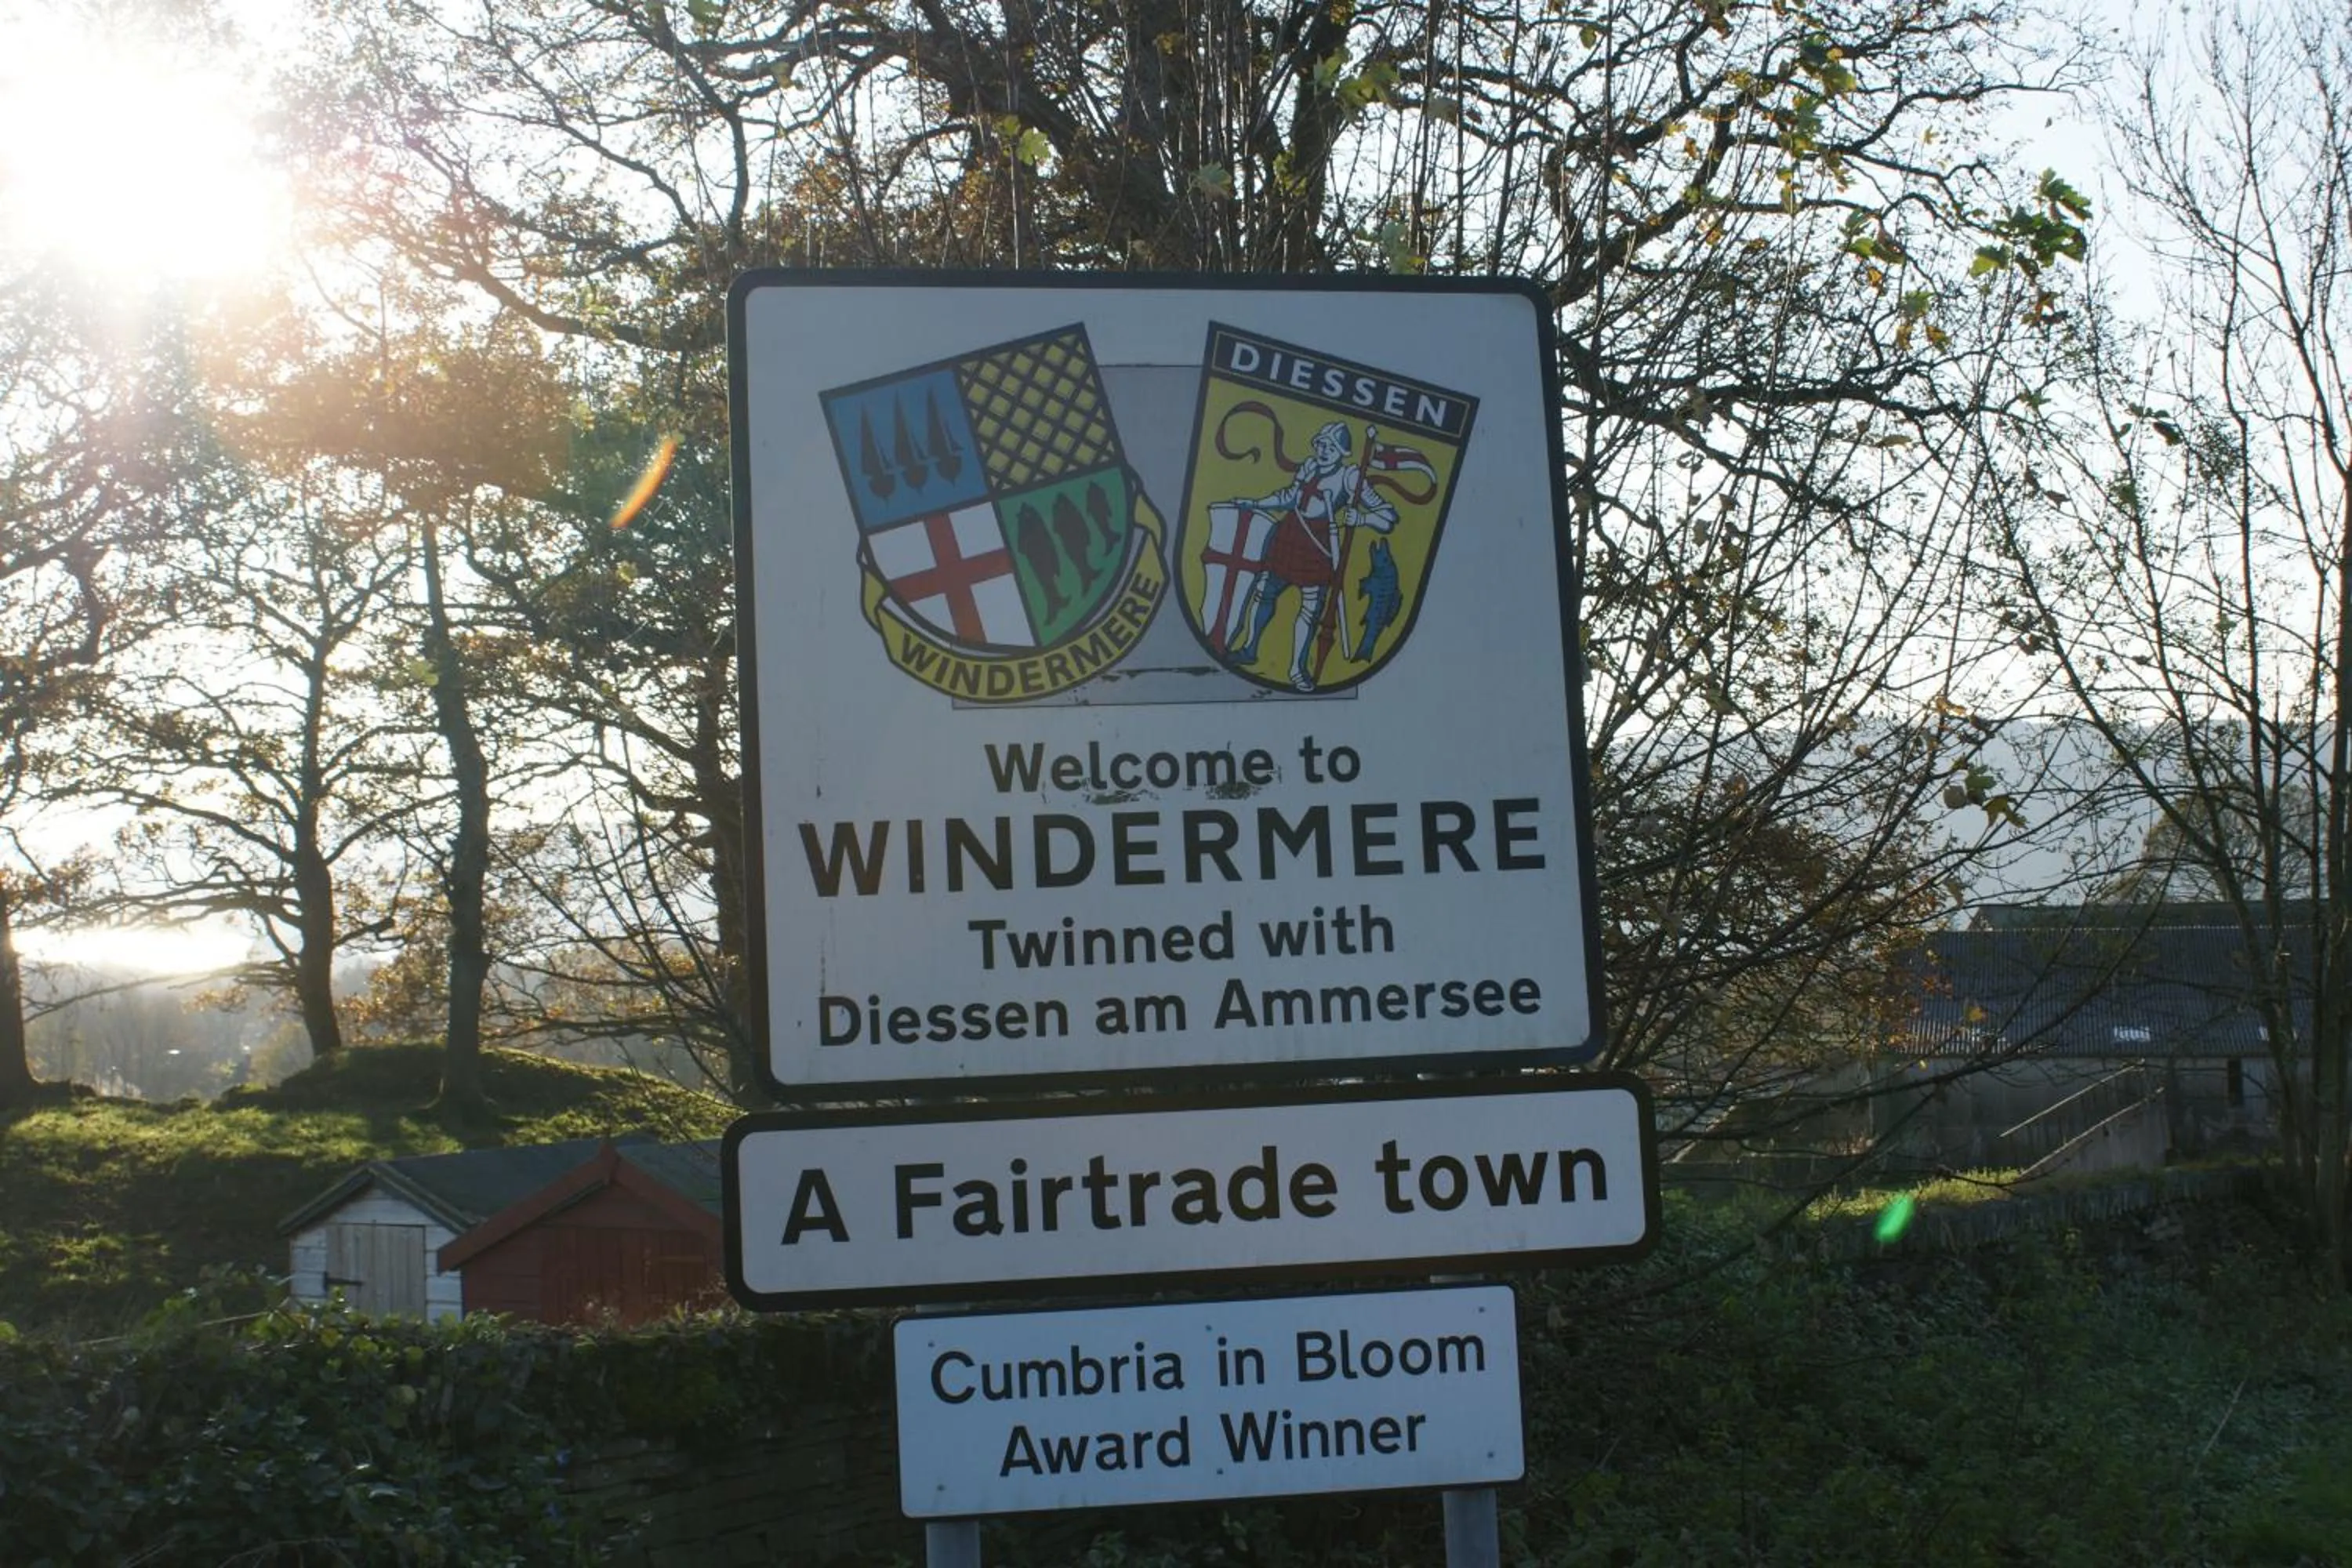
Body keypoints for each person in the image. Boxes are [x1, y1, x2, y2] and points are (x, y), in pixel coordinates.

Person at [1225, 421, 1398, 691]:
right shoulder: (1309, 467)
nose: (1323, 450)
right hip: (1289, 536)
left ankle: (1296, 669)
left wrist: (1362, 518)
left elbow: (1388, 517)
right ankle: (1249, 648)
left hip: (1318, 547)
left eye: (1330, 446)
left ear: (1342, 451)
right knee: (1264, 593)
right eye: (1320, 444)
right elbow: (1289, 497)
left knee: (1309, 611)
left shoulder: (1350, 477)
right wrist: (1256, 503)